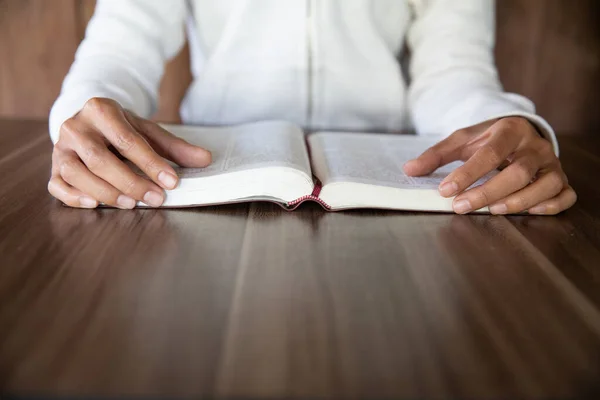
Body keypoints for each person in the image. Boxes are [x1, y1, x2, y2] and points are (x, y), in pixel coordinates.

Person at [48, 0, 576, 214]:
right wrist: (84, 117)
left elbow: (455, 67)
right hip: (206, 179)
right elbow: (118, 50)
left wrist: (508, 124)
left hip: (394, 185)